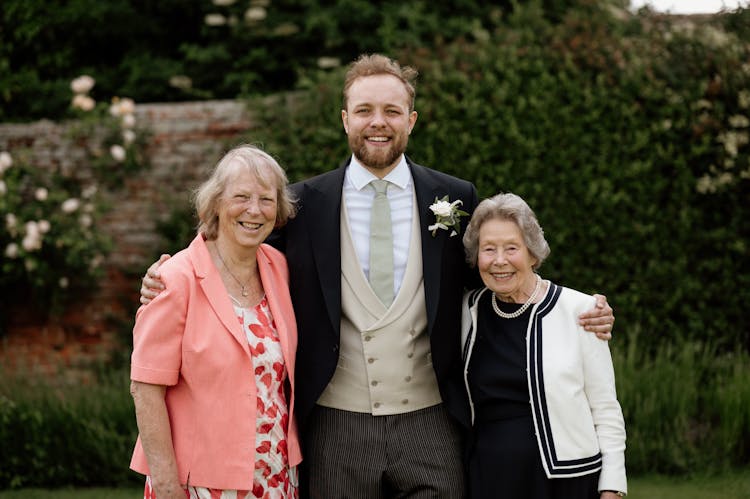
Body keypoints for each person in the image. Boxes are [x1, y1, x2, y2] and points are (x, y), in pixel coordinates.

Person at [140, 54, 615, 498]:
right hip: (335, 424)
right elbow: (237, 254)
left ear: (411, 119)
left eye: (392, 110)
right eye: (364, 109)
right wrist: (168, 271)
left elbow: (499, 278)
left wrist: (574, 311)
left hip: (431, 419)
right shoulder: (304, 206)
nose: (377, 122)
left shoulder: (455, 196)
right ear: (345, 119)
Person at [129, 145, 302, 499]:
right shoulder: (176, 277)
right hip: (200, 483)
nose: (254, 210)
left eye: (266, 199)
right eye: (241, 197)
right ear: (216, 202)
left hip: (274, 476)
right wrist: (166, 485)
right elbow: (145, 388)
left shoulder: (279, 267)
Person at [460, 192, 627, 499]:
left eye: (512, 248)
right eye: (488, 249)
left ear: (533, 254)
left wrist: (612, 487)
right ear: (476, 258)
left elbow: (605, 409)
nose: (499, 261)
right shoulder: (467, 312)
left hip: (568, 482)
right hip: (489, 477)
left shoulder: (581, 311)